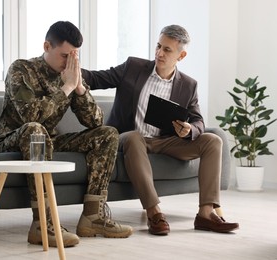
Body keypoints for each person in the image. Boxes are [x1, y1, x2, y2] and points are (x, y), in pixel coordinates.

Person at [82, 24, 239, 235]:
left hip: (164, 141)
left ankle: (205, 214)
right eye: (158, 46)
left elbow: (198, 120)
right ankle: (154, 213)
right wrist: (66, 66)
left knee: (213, 141)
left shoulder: (188, 85)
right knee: (135, 137)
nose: (159, 53)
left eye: (167, 50)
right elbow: (96, 78)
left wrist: (189, 129)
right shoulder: (133, 67)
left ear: (181, 56)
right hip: (130, 137)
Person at [0, 21, 133, 247]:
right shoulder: (20, 69)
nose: (70, 62)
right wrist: (66, 88)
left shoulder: (70, 74)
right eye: (65, 55)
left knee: (107, 134)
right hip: (13, 140)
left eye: (75, 56)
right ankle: (43, 224)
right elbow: (31, 116)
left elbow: (95, 121)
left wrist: (78, 88)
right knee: (35, 130)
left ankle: (93, 217)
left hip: (49, 140)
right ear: (47, 46)